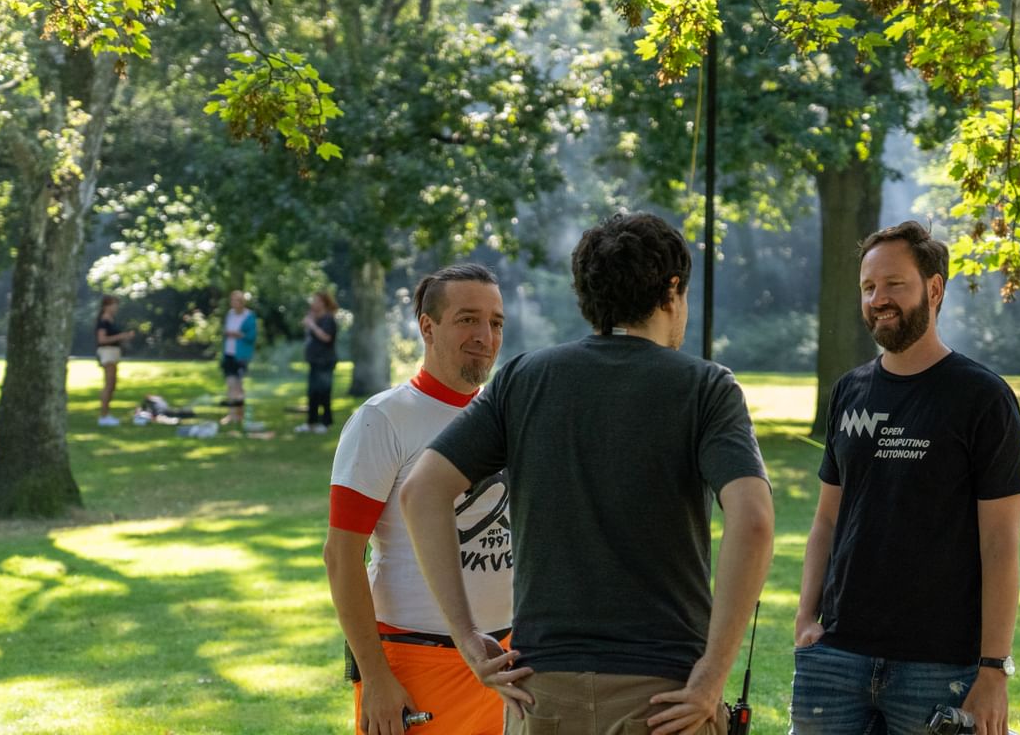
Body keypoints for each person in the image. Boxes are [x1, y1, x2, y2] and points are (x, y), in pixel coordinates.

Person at [401, 212, 775, 735]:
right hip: (665, 697)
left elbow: (421, 491)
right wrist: (712, 674)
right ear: (672, 291)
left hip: (540, 693)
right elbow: (753, 522)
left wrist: (466, 637)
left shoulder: (523, 378)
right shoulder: (706, 387)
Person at [790, 221, 1020, 735]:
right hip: (835, 659)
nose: (878, 299)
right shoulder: (849, 391)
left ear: (934, 289)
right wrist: (806, 619)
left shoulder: (983, 398)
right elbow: (827, 520)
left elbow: (1000, 543)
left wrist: (993, 669)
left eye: (894, 284)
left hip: (940, 668)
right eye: (868, 286)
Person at [323, 264, 512, 735]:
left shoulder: (504, 416)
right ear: (428, 326)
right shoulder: (383, 419)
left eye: (495, 322)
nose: (484, 336)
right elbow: (341, 556)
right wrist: (375, 676)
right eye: (467, 319)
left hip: (505, 661)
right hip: (415, 661)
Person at [295, 291, 340, 434]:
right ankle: (311, 423)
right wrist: (309, 323)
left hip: (325, 361)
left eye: (316, 301)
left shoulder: (328, 319)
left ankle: (326, 423)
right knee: (312, 393)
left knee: (324, 392)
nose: (313, 303)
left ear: (323, 303)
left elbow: (326, 337)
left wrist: (312, 325)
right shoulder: (315, 318)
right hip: (314, 361)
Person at [95, 295, 135, 426]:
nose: (115, 307)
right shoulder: (103, 321)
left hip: (113, 353)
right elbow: (102, 339)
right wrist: (121, 336)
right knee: (109, 384)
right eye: (113, 305)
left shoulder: (111, 320)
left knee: (112, 385)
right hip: (107, 353)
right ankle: (104, 416)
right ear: (106, 306)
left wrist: (125, 337)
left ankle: (106, 414)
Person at [220, 290, 257, 426]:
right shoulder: (230, 314)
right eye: (232, 300)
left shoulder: (249, 316)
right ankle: (231, 414)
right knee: (230, 385)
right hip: (228, 354)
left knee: (239, 386)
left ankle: (240, 415)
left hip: (241, 356)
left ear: (242, 303)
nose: (234, 303)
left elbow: (252, 337)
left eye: (236, 301)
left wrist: (238, 334)